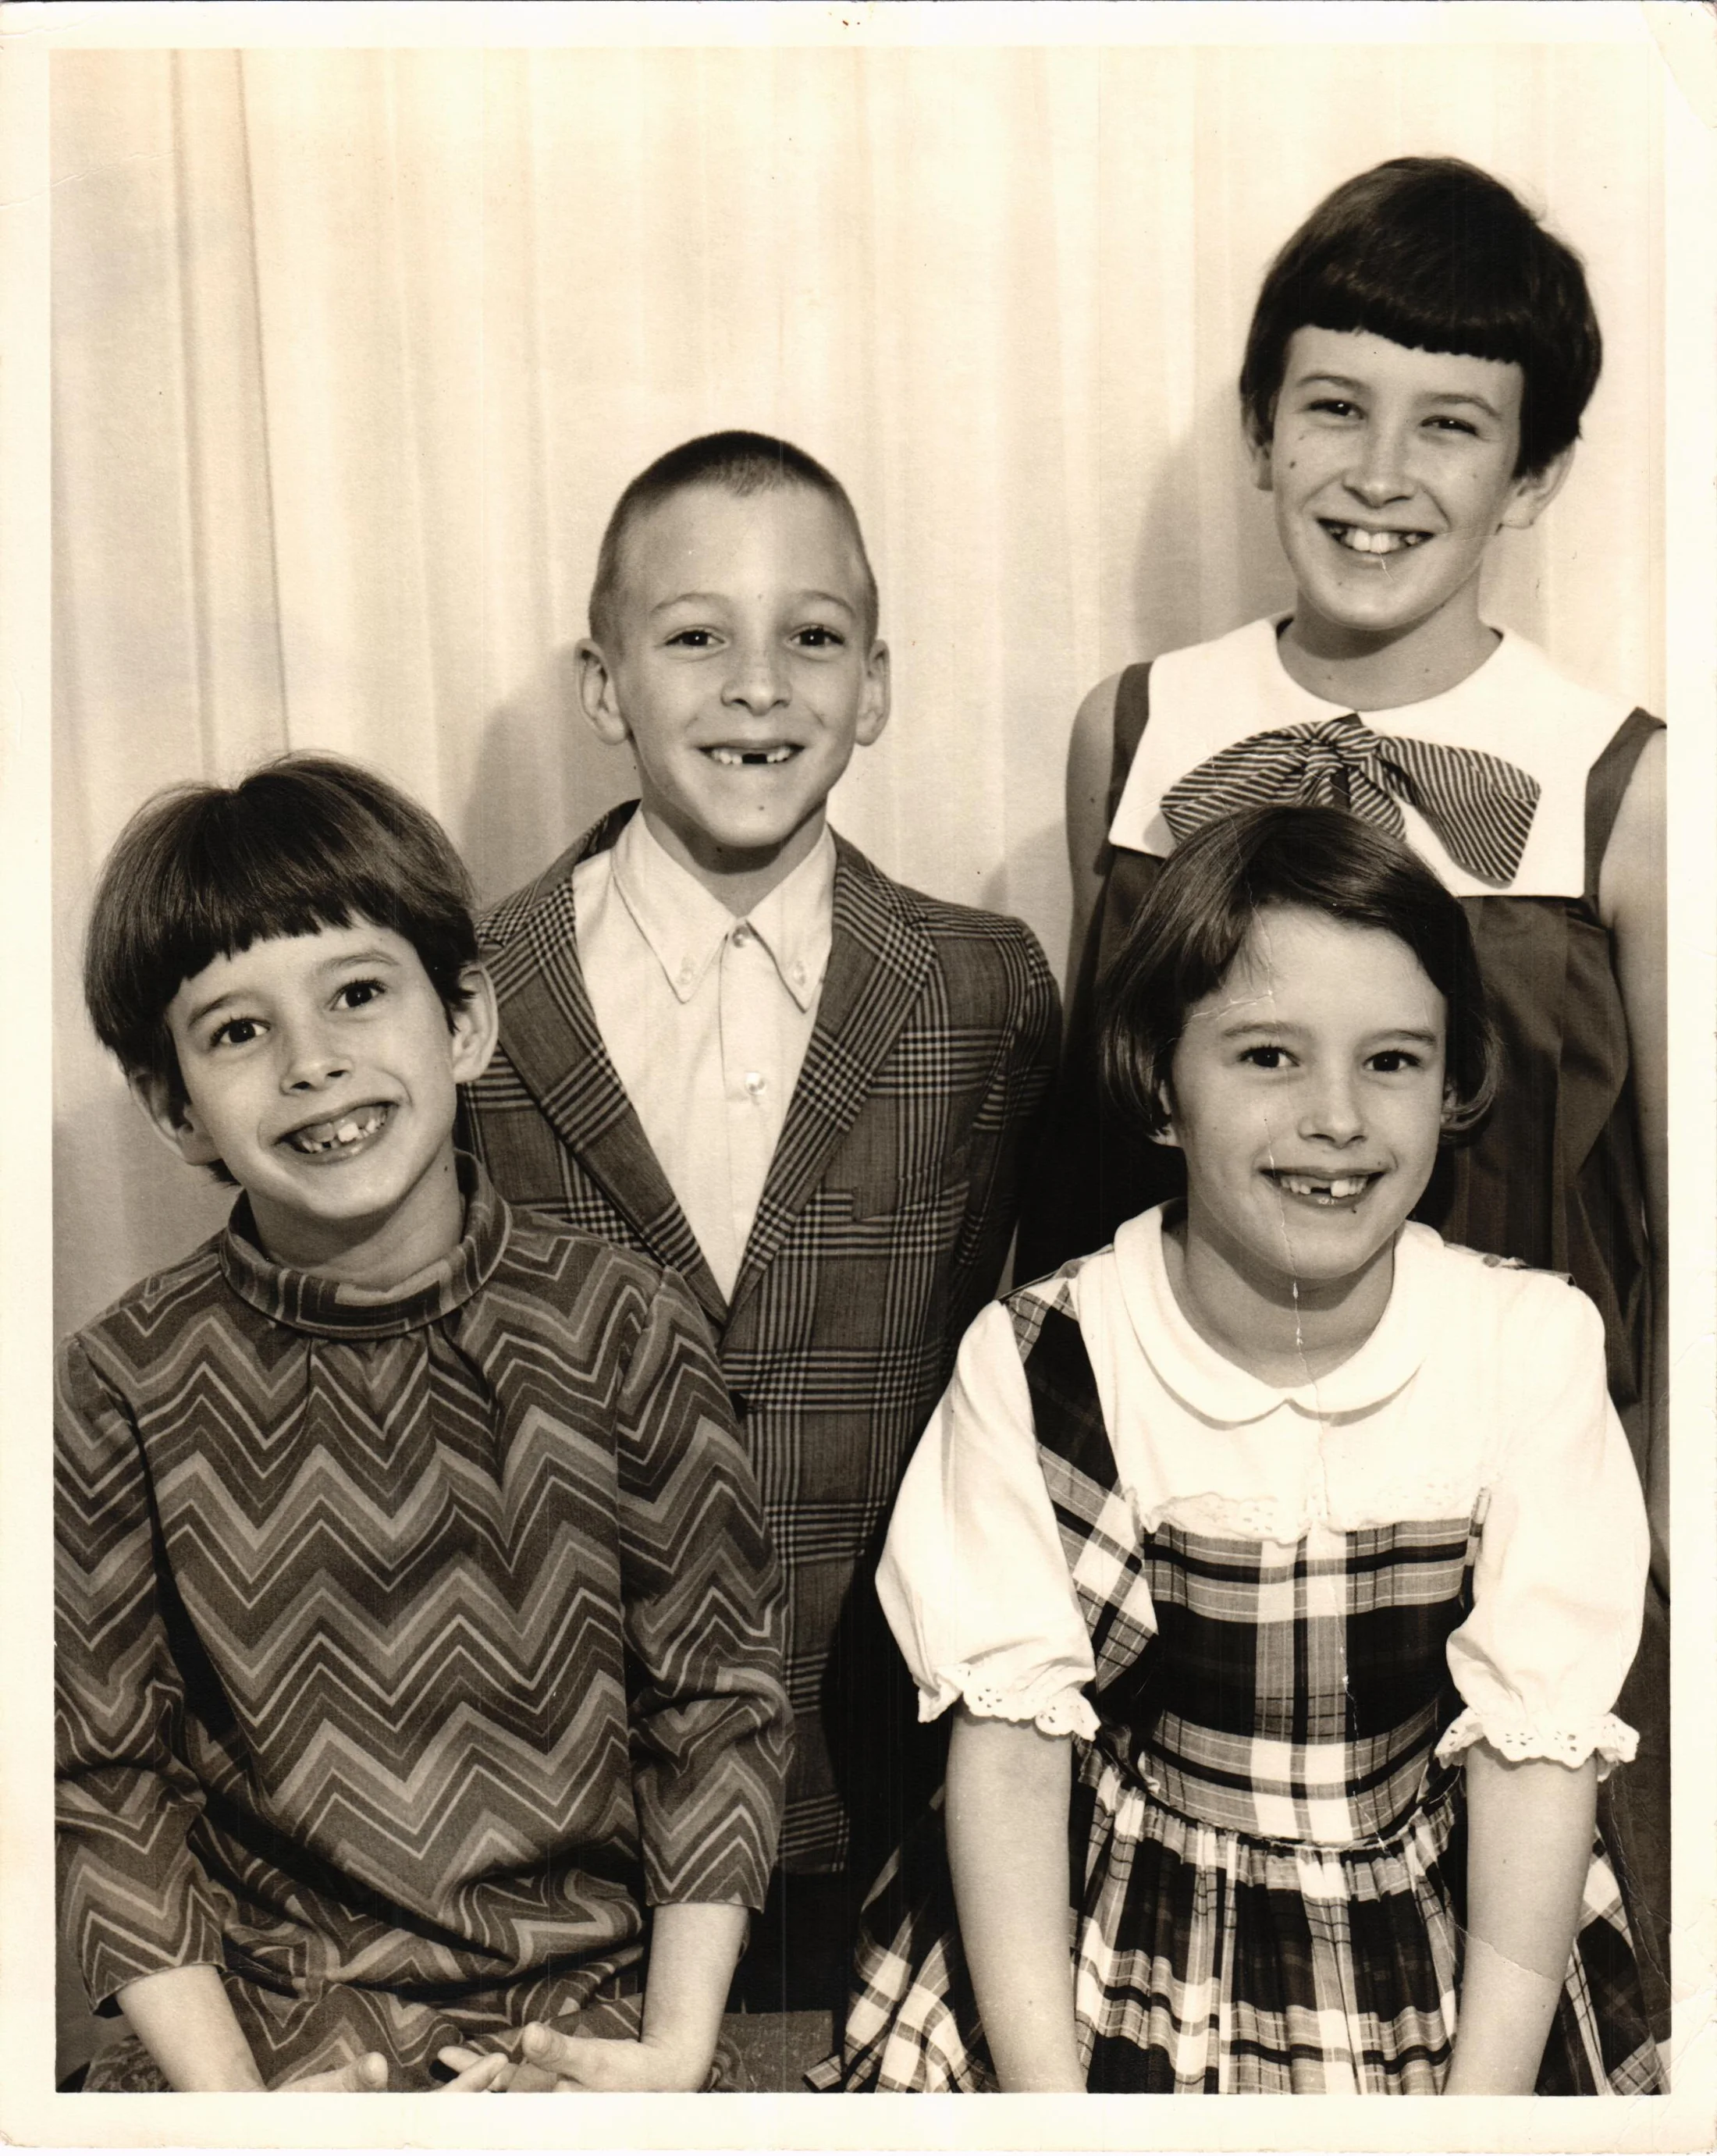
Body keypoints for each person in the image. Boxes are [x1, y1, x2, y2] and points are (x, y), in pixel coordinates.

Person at [1021, 155, 1669, 2004]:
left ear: (1530, 475)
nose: (1378, 473)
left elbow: (1682, 1228)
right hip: (1191, 1520)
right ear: (1257, 431)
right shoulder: (1133, 731)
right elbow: (1096, 1156)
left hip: (1495, 1522)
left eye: (1449, 424)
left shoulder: (1625, 786)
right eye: (1330, 406)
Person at [817, 805, 1660, 2095]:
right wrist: (1051, 2105)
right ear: (1161, 1082)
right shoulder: (1051, 1356)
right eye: (1269, 1055)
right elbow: (1011, 1760)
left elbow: (1535, 1766)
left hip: (1447, 1931)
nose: (1338, 1117)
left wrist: (1480, 2112)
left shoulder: (1526, 1344)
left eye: (1393, 1060)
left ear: (1453, 1083)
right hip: (1107, 1921)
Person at [460, 432, 1061, 2079]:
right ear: (604, 686)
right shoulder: (469, 994)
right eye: (693, 636)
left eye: (811, 635)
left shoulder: (984, 990)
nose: (756, 686)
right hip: (556, 1811)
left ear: (877, 685)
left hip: (885, 1800)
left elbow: (1043, 1377)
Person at [57, 756, 791, 2094]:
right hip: (268, 2046)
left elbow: (714, 1706)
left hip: (600, 2019)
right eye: (237, 1031)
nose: (313, 1064)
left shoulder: (623, 1322)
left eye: (356, 994)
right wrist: (238, 2111)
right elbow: (104, 1781)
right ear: (174, 1109)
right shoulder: (122, 1382)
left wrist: (670, 2053)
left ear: (463, 1021)